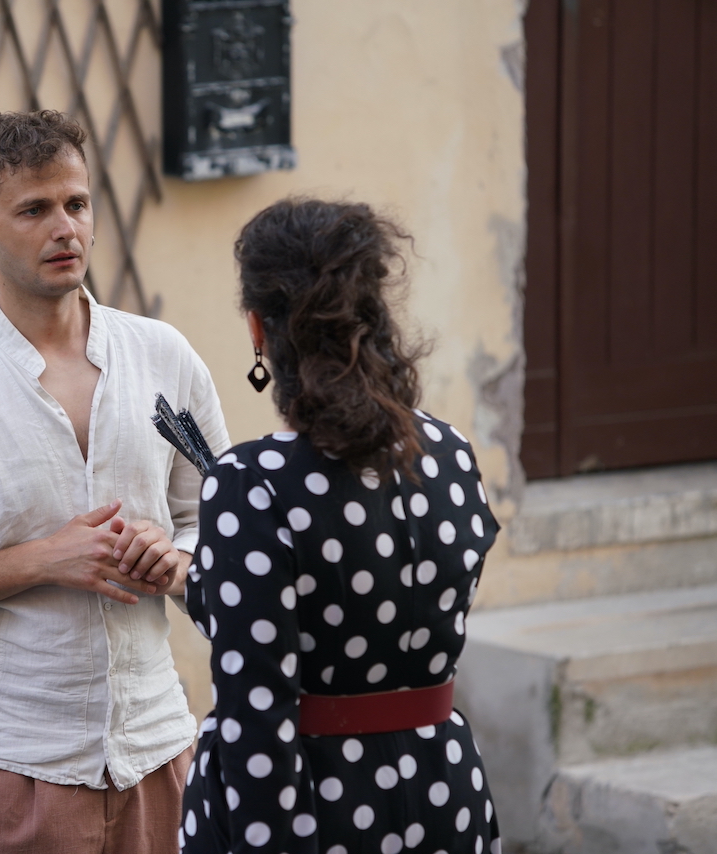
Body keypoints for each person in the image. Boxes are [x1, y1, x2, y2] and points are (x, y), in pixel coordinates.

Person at [0, 109, 229, 854]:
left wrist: (176, 561)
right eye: (34, 210)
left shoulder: (164, 358)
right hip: (1, 767)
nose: (65, 228)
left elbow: (219, 526)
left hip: (156, 751)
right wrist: (44, 560)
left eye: (76, 203)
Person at [180, 198, 502, 854]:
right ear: (375, 314)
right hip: (445, 789)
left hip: (314, 803)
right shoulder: (451, 453)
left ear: (258, 329)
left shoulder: (252, 482)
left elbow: (256, 714)